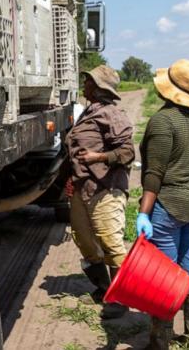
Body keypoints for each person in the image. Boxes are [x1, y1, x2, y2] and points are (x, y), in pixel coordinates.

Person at [136, 59, 189, 349]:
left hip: (168, 207)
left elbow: (153, 175)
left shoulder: (162, 121)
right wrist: (186, 166)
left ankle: (160, 343)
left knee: (164, 278)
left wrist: (144, 213)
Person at [65, 65, 134, 319]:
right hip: (83, 187)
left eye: (88, 81)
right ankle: (105, 288)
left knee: (111, 243)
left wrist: (99, 156)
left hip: (105, 188)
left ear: (98, 87)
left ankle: (120, 298)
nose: (84, 85)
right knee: (83, 240)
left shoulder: (111, 114)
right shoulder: (89, 112)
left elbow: (128, 153)